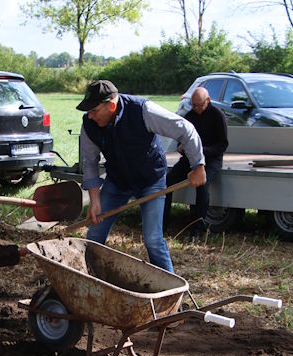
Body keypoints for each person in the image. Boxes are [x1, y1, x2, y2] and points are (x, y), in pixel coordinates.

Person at [77, 80, 206, 273]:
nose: (90, 116)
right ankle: (86, 278)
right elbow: (90, 162)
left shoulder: (143, 111)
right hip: (118, 181)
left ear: (110, 106)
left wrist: (198, 165)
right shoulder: (90, 124)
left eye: (94, 111)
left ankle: (171, 288)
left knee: (153, 239)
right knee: (94, 234)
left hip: (150, 179)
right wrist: (94, 200)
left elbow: (185, 129)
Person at [163, 87, 228, 239]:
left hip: (211, 159)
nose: (196, 108)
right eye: (194, 105)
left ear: (208, 101)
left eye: (200, 105)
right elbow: (181, 138)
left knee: (202, 186)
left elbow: (222, 145)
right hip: (190, 158)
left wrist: (201, 151)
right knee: (168, 183)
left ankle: (197, 230)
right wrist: (181, 147)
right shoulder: (190, 116)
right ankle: (163, 224)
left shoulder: (217, 115)